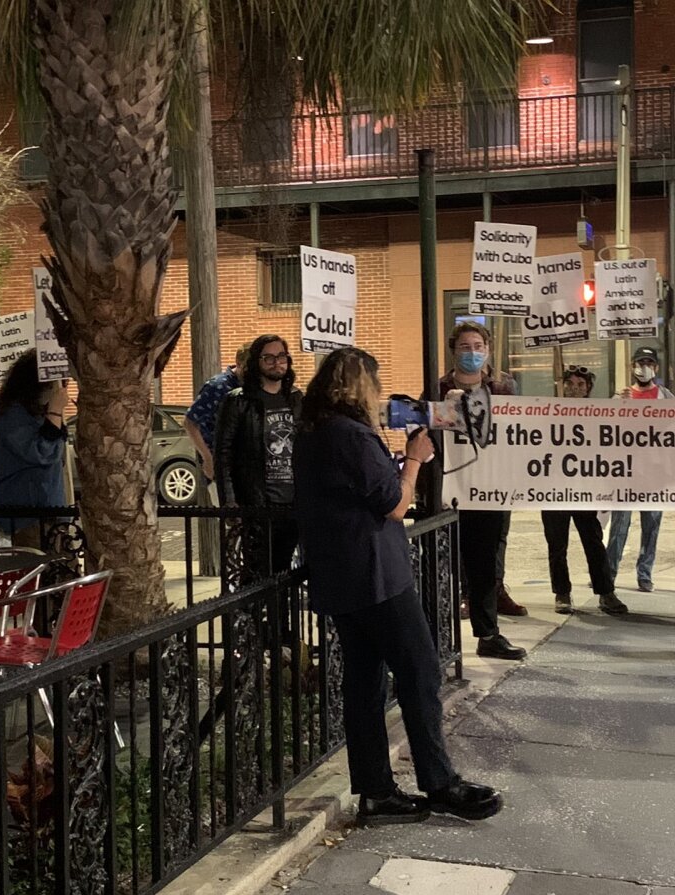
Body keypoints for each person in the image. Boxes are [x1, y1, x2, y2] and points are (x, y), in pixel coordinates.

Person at [294, 346, 504, 825]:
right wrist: (413, 459)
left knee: (365, 683)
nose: (379, 392)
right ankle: (440, 782)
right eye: (375, 382)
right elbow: (394, 504)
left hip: (342, 574)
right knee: (420, 671)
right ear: (357, 385)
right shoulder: (349, 434)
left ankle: (376, 791)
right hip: (375, 575)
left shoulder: (316, 430)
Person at [439, 320, 526, 661]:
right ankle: (442, 637)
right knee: (448, 561)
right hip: (453, 490)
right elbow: (424, 432)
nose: (472, 353)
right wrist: (446, 409)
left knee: (486, 564)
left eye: (477, 346)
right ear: (453, 351)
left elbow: (521, 431)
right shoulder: (438, 387)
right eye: (464, 347)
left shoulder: (504, 387)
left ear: (487, 350)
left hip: (492, 488)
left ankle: (487, 633)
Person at [215, 335, 303, 578]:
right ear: (257, 362)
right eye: (269, 358)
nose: (277, 363)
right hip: (257, 503)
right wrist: (230, 502)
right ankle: (251, 616)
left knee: (286, 573)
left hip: (293, 502)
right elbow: (223, 454)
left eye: (282, 357)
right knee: (256, 574)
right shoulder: (238, 401)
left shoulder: (296, 399)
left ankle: (281, 616)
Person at [546, 366, 628, 616]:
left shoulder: (597, 414)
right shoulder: (546, 413)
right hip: (553, 489)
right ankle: (562, 593)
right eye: (570, 384)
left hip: (585, 490)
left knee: (593, 541)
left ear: (588, 389)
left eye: (581, 385)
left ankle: (606, 592)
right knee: (557, 544)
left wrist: (625, 408)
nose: (575, 390)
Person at [607, 346, 673, 591]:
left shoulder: (665, 397)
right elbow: (606, 430)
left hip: (655, 471)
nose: (643, 368)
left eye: (649, 363)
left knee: (651, 525)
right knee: (619, 527)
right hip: (625, 470)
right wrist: (618, 405)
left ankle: (644, 574)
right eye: (639, 363)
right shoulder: (621, 396)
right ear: (632, 366)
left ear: (655, 368)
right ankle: (609, 572)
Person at [0, 350, 68, 548]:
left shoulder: (35, 413)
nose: (60, 390)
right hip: (29, 513)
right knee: (35, 567)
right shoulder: (14, 416)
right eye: (55, 384)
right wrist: (55, 412)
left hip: (47, 508)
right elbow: (42, 452)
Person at [185, 342, 250, 488]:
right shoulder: (217, 386)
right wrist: (208, 458)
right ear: (239, 363)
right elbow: (190, 422)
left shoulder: (253, 386)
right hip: (222, 463)